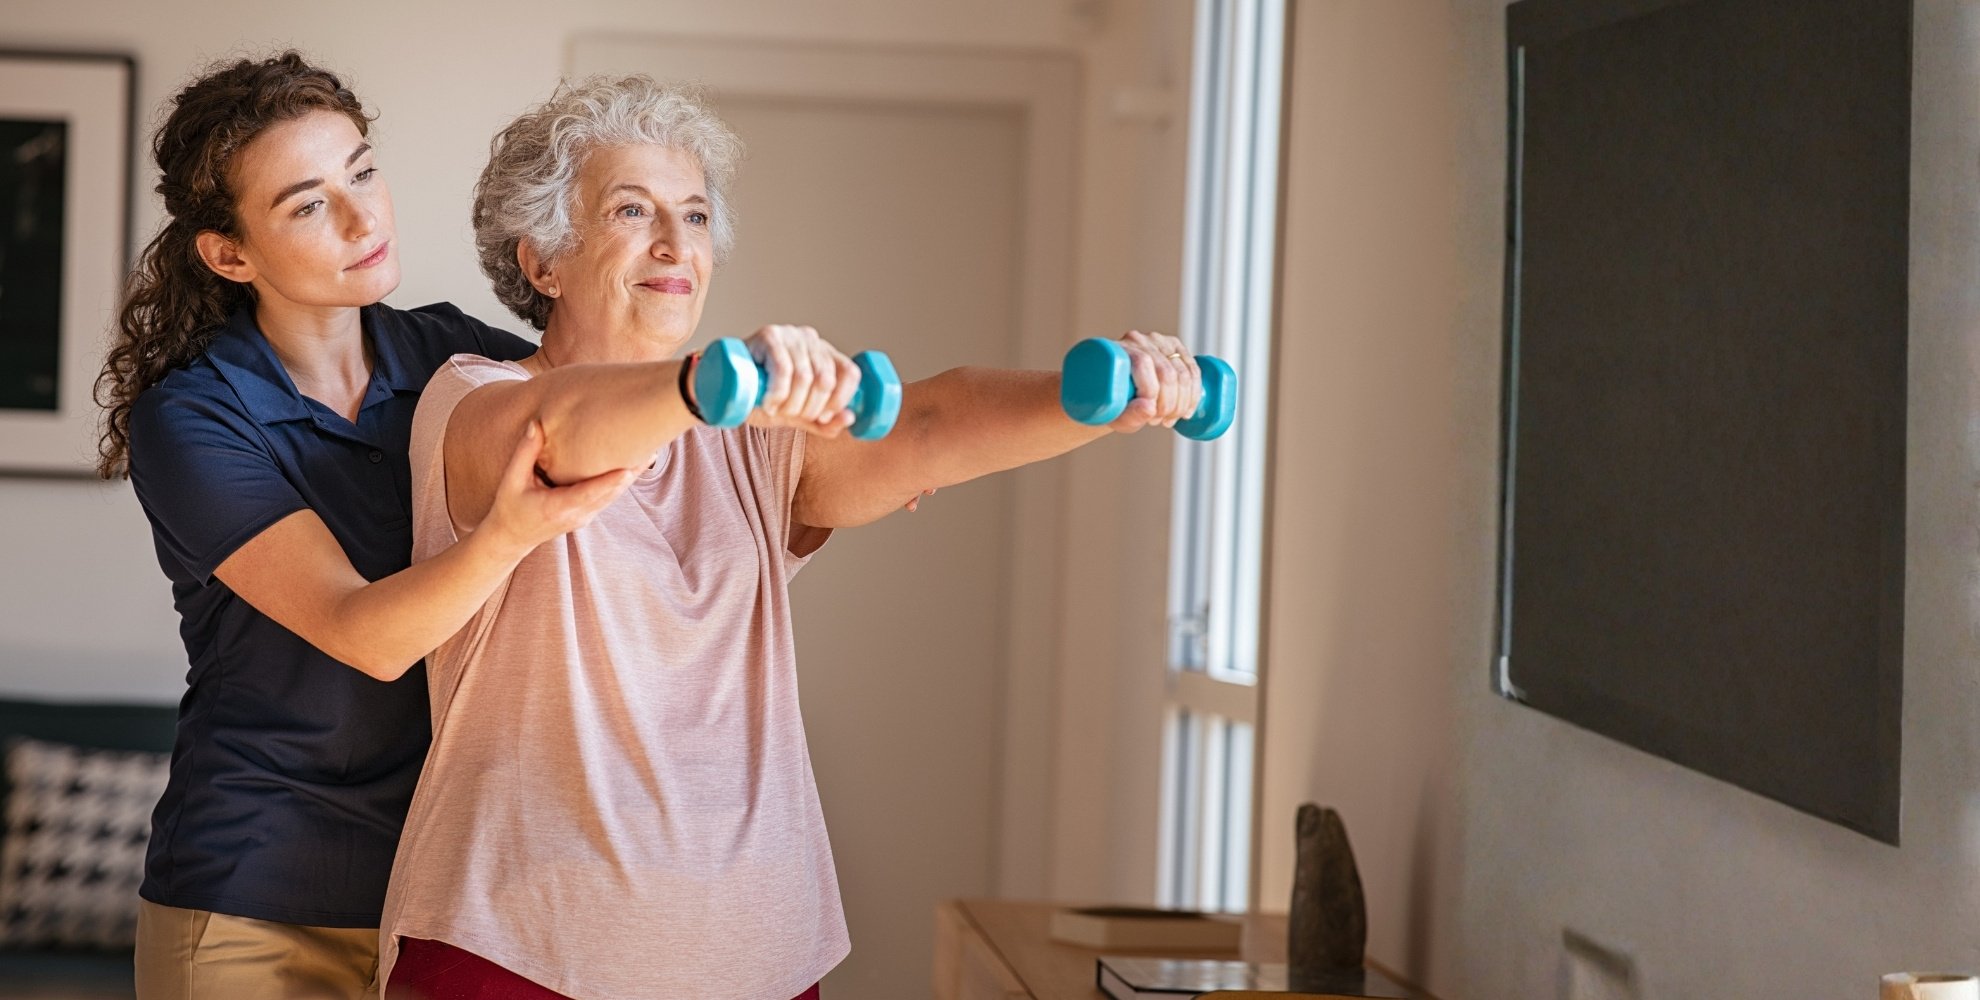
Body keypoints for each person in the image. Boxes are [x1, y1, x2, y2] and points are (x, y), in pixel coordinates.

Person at [377, 75, 1204, 1000]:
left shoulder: (750, 434)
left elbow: (928, 426)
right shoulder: (474, 395)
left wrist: (1102, 396)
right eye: (631, 210)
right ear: (542, 262)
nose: (674, 243)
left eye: (694, 217)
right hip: (515, 951)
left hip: (754, 961)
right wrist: (712, 382)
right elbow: (560, 434)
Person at [95, 53, 631, 1000]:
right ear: (230, 254)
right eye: (307, 205)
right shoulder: (193, 418)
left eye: (363, 171)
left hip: (437, 896)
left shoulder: (451, 355)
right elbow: (364, 635)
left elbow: (602, 415)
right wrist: (506, 532)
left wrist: (790, 470)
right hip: (253, 902)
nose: (361, 217)